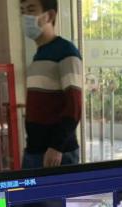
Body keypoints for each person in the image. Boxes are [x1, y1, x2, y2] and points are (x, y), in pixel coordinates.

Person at [20, 0, 82, 169]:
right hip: (35, 150)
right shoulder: (39, 55)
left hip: (56, 154)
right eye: (22, 11)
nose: (25, 17)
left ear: (50, 15)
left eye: (31, 10)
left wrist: (56, 147)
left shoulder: (66, 52)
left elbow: (74, 106)